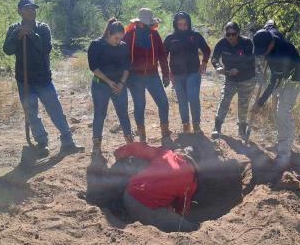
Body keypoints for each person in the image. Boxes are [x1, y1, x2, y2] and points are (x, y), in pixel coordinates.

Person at [3, 0, 83, 156]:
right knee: (32, 113)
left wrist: (31, 34)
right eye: (27, 8)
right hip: (24, 80)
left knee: (56, 110)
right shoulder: (14, 28)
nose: (31, 11)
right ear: (19, 11)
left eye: (33, 8)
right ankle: (42, 143)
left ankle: (68, 141)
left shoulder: (43, 28)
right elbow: (7, 50)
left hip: (43, 79)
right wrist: (17, 35)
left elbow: (46, 49)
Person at [114, 142, 199, 232]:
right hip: (143, 208)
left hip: (128, 194)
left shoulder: (166, 153)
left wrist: (120, 151)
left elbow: (141, 149)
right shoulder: (191, 179)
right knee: (188, 227)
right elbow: (182, 208)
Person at [252, 28, 300, 169]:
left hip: (294, 79)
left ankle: (284, 154)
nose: (263, 53)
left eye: (264, 50)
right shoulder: (270, 34)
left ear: (271, 44)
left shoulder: (281, 54)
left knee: (282, 112)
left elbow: (273, 83)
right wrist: (269, 25)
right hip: (282, 76)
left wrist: (260, 103)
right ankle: (282, 142)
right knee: (277, 112)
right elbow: (272, 28)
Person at [123, 8, 171, 143]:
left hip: (152, 75)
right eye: (148, 23)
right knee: (139, 105)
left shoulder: (154, 35)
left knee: (163, 102)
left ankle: (165, 131)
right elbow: (123, 56)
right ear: (140, 23)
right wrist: (124, 77)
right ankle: (142, 136)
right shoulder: (129, 35)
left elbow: (162, 55)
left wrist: (166, 74)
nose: (150, 26)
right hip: (134, 77)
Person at [87, 18, 134, 155]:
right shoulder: (96, 45)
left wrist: (121, 83)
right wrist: (109, 81)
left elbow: (127, 66)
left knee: (123, 114)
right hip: (100, 85)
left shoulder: (123, 46)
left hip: (119, 86)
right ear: (108, 33)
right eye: (116, 38)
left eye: (120, 38)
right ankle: (96, 144)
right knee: (100, 114)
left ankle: (130, 141)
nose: (118, 41)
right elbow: (94, 67)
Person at [164, 12, 211, 134]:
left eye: (185, 24)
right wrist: (168, 72)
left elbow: (206, 50)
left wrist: (204, 63)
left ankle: (196, 124)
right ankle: (185, 124)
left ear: (189, 23)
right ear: (175, 24)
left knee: (193, 97)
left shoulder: (195, 35)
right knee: (182, 100)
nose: (183, 27)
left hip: (193, 72)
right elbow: (164, 56)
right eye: (180, 24)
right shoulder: (170, 38)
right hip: (177, 74)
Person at [211, 22, 256, 139]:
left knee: (243, 105)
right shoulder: (222, 43)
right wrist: (218, 66)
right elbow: (214, 58)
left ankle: (242, 128)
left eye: (233, 34)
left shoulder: (246, 43)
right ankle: (217, 128)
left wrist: (239, 69)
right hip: (230, 78)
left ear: (238, 33)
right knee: (224, 101)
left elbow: (250, 60)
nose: (230, 37)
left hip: (246, 79)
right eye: (228, 34)